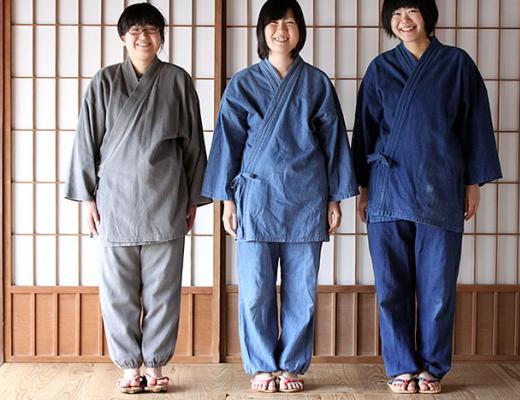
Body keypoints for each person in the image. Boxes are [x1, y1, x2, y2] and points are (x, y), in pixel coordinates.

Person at [201, 0, 357, 393]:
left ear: (300, 31)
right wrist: (228, 201)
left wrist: (334, 198)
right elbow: (228, 144)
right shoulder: (243, 84)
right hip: (256, 198)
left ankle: (291, 365)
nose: (281, 30)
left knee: (301, 290)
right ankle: (261, 365)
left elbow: (334, 143)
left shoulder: (316, 83)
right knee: (255, 290)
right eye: (273, 23)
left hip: (306, 197)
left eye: (289, 22)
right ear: (262, 31)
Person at [351, 0, 502, 394]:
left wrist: (473, 183)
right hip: (388, 190)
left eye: (412, 11)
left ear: (428, 16)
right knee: (392, 286)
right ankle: (402, 366)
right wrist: (364, 190)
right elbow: (365, 132)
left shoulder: (457, 65)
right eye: (396, 14)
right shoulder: (380, 69)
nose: (404, 21)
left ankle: (432, 367)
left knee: (437, 287)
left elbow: (475, 127)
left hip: (441, 187)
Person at [64, 3, 210, 394]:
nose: (143, 37)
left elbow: (193, 145)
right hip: (115, 201)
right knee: (118, 291)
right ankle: (130, 368)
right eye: (135, 31)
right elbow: (85, 142)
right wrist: (88, 200)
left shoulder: (178, 80)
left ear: (161, 36)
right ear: (123, 38)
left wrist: (192, 198)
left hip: (166, 198)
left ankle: (157, 364)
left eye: (151, 29)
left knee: (163, 290)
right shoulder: (104, 81)